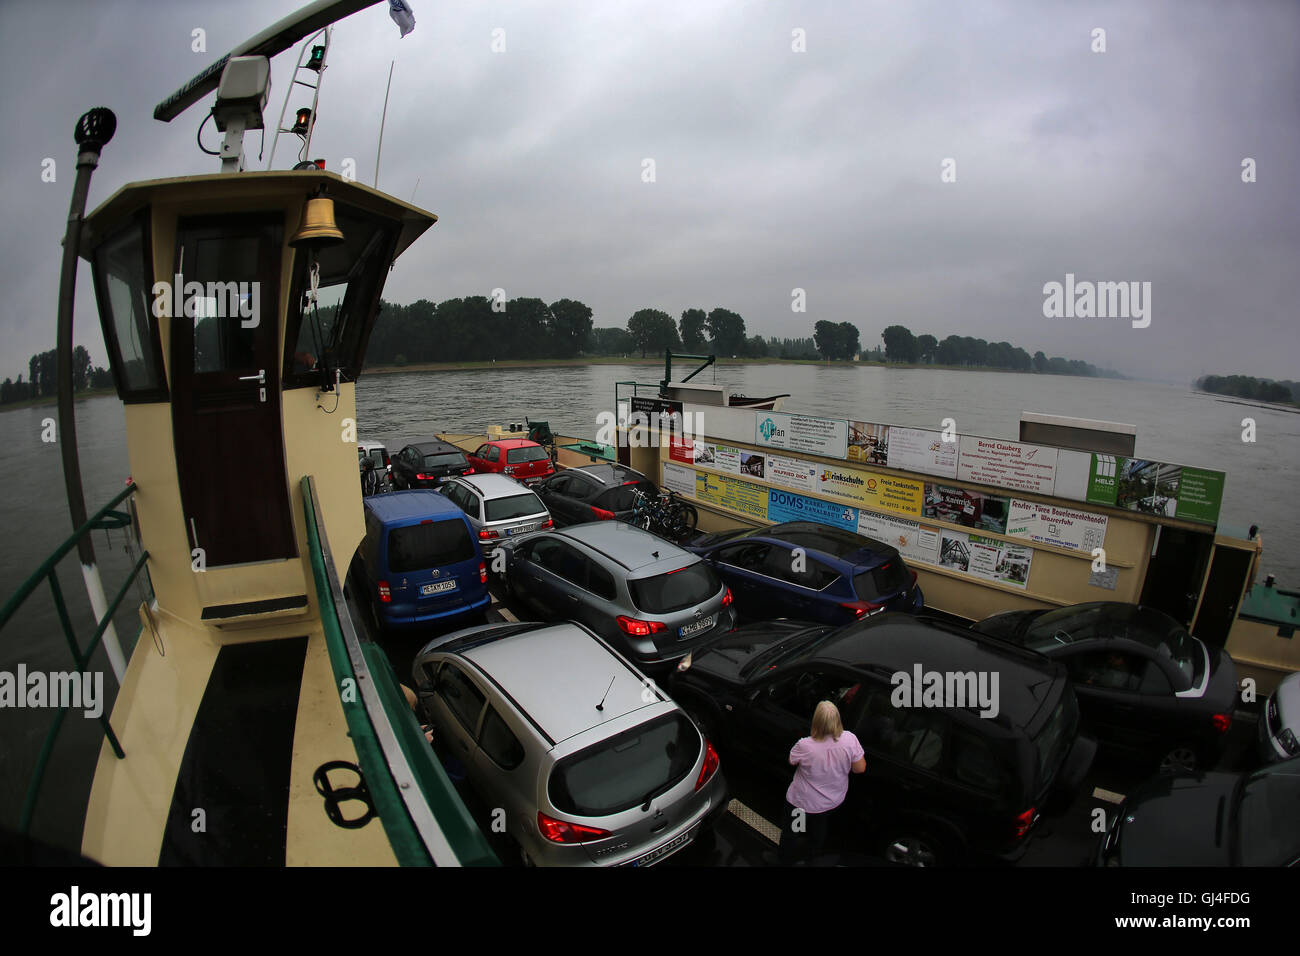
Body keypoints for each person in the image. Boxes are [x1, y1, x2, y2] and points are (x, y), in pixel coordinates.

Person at [776, 700, 866, 865]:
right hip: (831, 801)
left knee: (793, 831)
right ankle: (811, 857)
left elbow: (792, 761)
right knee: (818, 830)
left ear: (816, 721)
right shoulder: (850, 739)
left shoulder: (805, 745)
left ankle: (786, 860)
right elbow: (860, 768)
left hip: (802, 803)